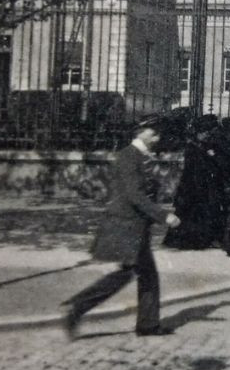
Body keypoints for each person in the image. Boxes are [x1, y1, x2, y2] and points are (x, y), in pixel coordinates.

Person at [63, 117, 180, 339]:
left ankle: (148, 324)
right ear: (141, 132)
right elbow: (134, 195)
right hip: (125, 224)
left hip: (136, 225)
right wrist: (163, 215)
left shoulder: (141, 157)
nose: (158, 138)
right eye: (153, 133)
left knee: (146, 274)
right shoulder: (128, 156)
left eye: (158, 134)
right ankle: (77, 306)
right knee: (128, 273)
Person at [163, 114, 223, 250]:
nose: (207, 135)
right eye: (205, 132)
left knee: (199, 213)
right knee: (190, 213)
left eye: (208, 132)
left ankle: (200, 240)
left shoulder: (201, 146)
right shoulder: (192, 148)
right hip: (193, 185)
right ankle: (187, 241)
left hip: (200, 184)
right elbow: (194, 170)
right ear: (199, 132)